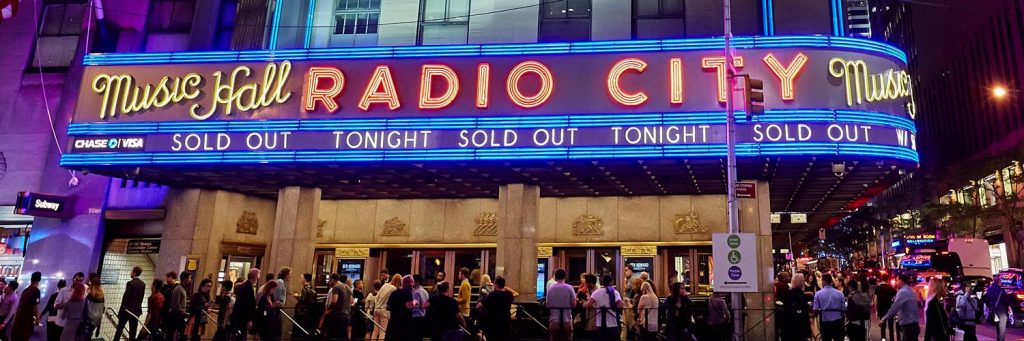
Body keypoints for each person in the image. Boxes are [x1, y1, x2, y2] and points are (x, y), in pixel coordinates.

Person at [879, 274, 922, 341]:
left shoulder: (902, 292)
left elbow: (895, 307)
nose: (896, 283)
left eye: (897, 280)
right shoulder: (910, 290)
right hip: (914, 324)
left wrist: (884, 319)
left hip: (908, 325)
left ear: (901, 281)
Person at [113, 266, 147, 341]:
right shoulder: (143, 284)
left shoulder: (130, 283)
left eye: (131, 272)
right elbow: (141, 297)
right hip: (136, 311)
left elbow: (126, 298)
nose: (130, 273)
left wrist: (121, 310)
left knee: (119, 329)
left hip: (127, 310)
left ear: (134, 273)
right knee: (133, 331)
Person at [587, 274, 623, 341]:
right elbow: (621, 305)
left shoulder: (596, 292)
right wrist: (612, 306)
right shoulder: (614, 292)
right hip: (612, 322)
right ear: (611, 282)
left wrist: (596, 306)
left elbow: (588, 305)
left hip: (599, 323)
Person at [478, 276, 514, 341]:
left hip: (493, 325)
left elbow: (480, 305)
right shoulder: (509, 295)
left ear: (496, 284)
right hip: (506, 324)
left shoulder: (492, 295)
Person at [812, 274, 846, 341]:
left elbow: (815, 309)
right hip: (838, 321)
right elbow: (844, 308)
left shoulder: (818, 294)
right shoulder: (840, 293)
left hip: (825, 321)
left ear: (824, 281)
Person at [546, 269, 576, 341]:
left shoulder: (551, 288)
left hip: (554, 320)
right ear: (565, 276)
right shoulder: (569, 288)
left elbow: (548, 305)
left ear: (555, 277)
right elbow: (574, 304)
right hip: (567, 319)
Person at [232, 268, 260, 341]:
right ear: (256, 276)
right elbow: (248, 305)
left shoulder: (243, 286)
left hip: (239, 317)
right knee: (241, 337)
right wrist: (249, 319)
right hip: (243, 318)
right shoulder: (248, 287)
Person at [384, 275, 415, 341]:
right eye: (412, 282)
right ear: (408, 283)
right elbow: (408, 306)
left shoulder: (394, 292)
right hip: (404, 323)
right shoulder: (408, 293)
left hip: (393, 322)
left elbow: (387, 307)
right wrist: (415, 302)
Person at [321, 274, 352, 341]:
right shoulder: (347, 287)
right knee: (343, 335)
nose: (329, 282)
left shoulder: (336, 287)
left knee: (331, 334)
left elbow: (334, 300)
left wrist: (329, 309)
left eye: (329, 280)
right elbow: (351, 301)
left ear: (333, 279)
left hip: (337, 315)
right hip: (346, 314)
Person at [10, 272, 40, 341]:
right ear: (38, 281)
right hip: (26, 321)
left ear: (31, 279)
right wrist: (37, 319)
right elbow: (35, 307)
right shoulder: (36, 291)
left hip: (19, 320)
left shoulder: (26, 290)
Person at [782, 273, 810, 341]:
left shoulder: (789, 292)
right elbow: (803, 306)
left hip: (789, 323)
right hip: (799, 323)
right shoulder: (800, 292)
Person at [373, 274, 400, 341]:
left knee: (375, 331)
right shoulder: (394, 288)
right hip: (384, 310)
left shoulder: (385, 285)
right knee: (383, 331)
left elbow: (377, 297)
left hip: (377, 309)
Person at [293, 273, 319, 341]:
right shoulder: (313, 289)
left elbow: (303, 301)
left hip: (303, 314)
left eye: (302, 278)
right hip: (311, 314)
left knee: (300, 331)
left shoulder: (305, 289)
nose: (300, 279)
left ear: (305, 279)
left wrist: (297, 297)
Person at [874, 276, 897, 341]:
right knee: (891, 326)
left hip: (881, 308)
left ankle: (883, 338)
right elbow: (895, 299)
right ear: (888, 280)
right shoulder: (891, 288)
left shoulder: (878, 287)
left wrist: (876, 310)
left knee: (883, 325)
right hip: (890, 308)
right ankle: (891, 338)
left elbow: (876, 300)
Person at [85, 275, 105, 340]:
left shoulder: (91, 295)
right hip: (97, 319)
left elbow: (87, 306)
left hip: (90, 318)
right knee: (90, 333)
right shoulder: (102, 295)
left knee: (86, 335)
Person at [412, 275, 430, 340]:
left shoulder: (416, 292)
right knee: (419, 336)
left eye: (412, 281)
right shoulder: (425, 291)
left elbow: (415, 306)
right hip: (423, 316)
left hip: (416, 317)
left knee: (414, 336)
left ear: (417, 282)